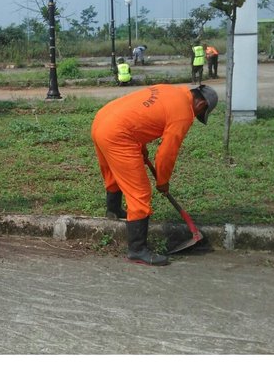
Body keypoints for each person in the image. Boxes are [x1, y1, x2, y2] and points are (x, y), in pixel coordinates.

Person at [90, 83, 216, 265]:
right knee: (140, 193)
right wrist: (163, 181)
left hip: (102, 120)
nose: (195, 117)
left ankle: (114, 210)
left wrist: (141, 147)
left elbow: (139, 113)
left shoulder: (170, 90)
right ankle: (137, 250)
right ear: (201, 105)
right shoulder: (183, 113)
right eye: (200, 114)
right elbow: (166, 153)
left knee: (114, 171)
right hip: (118, 133)